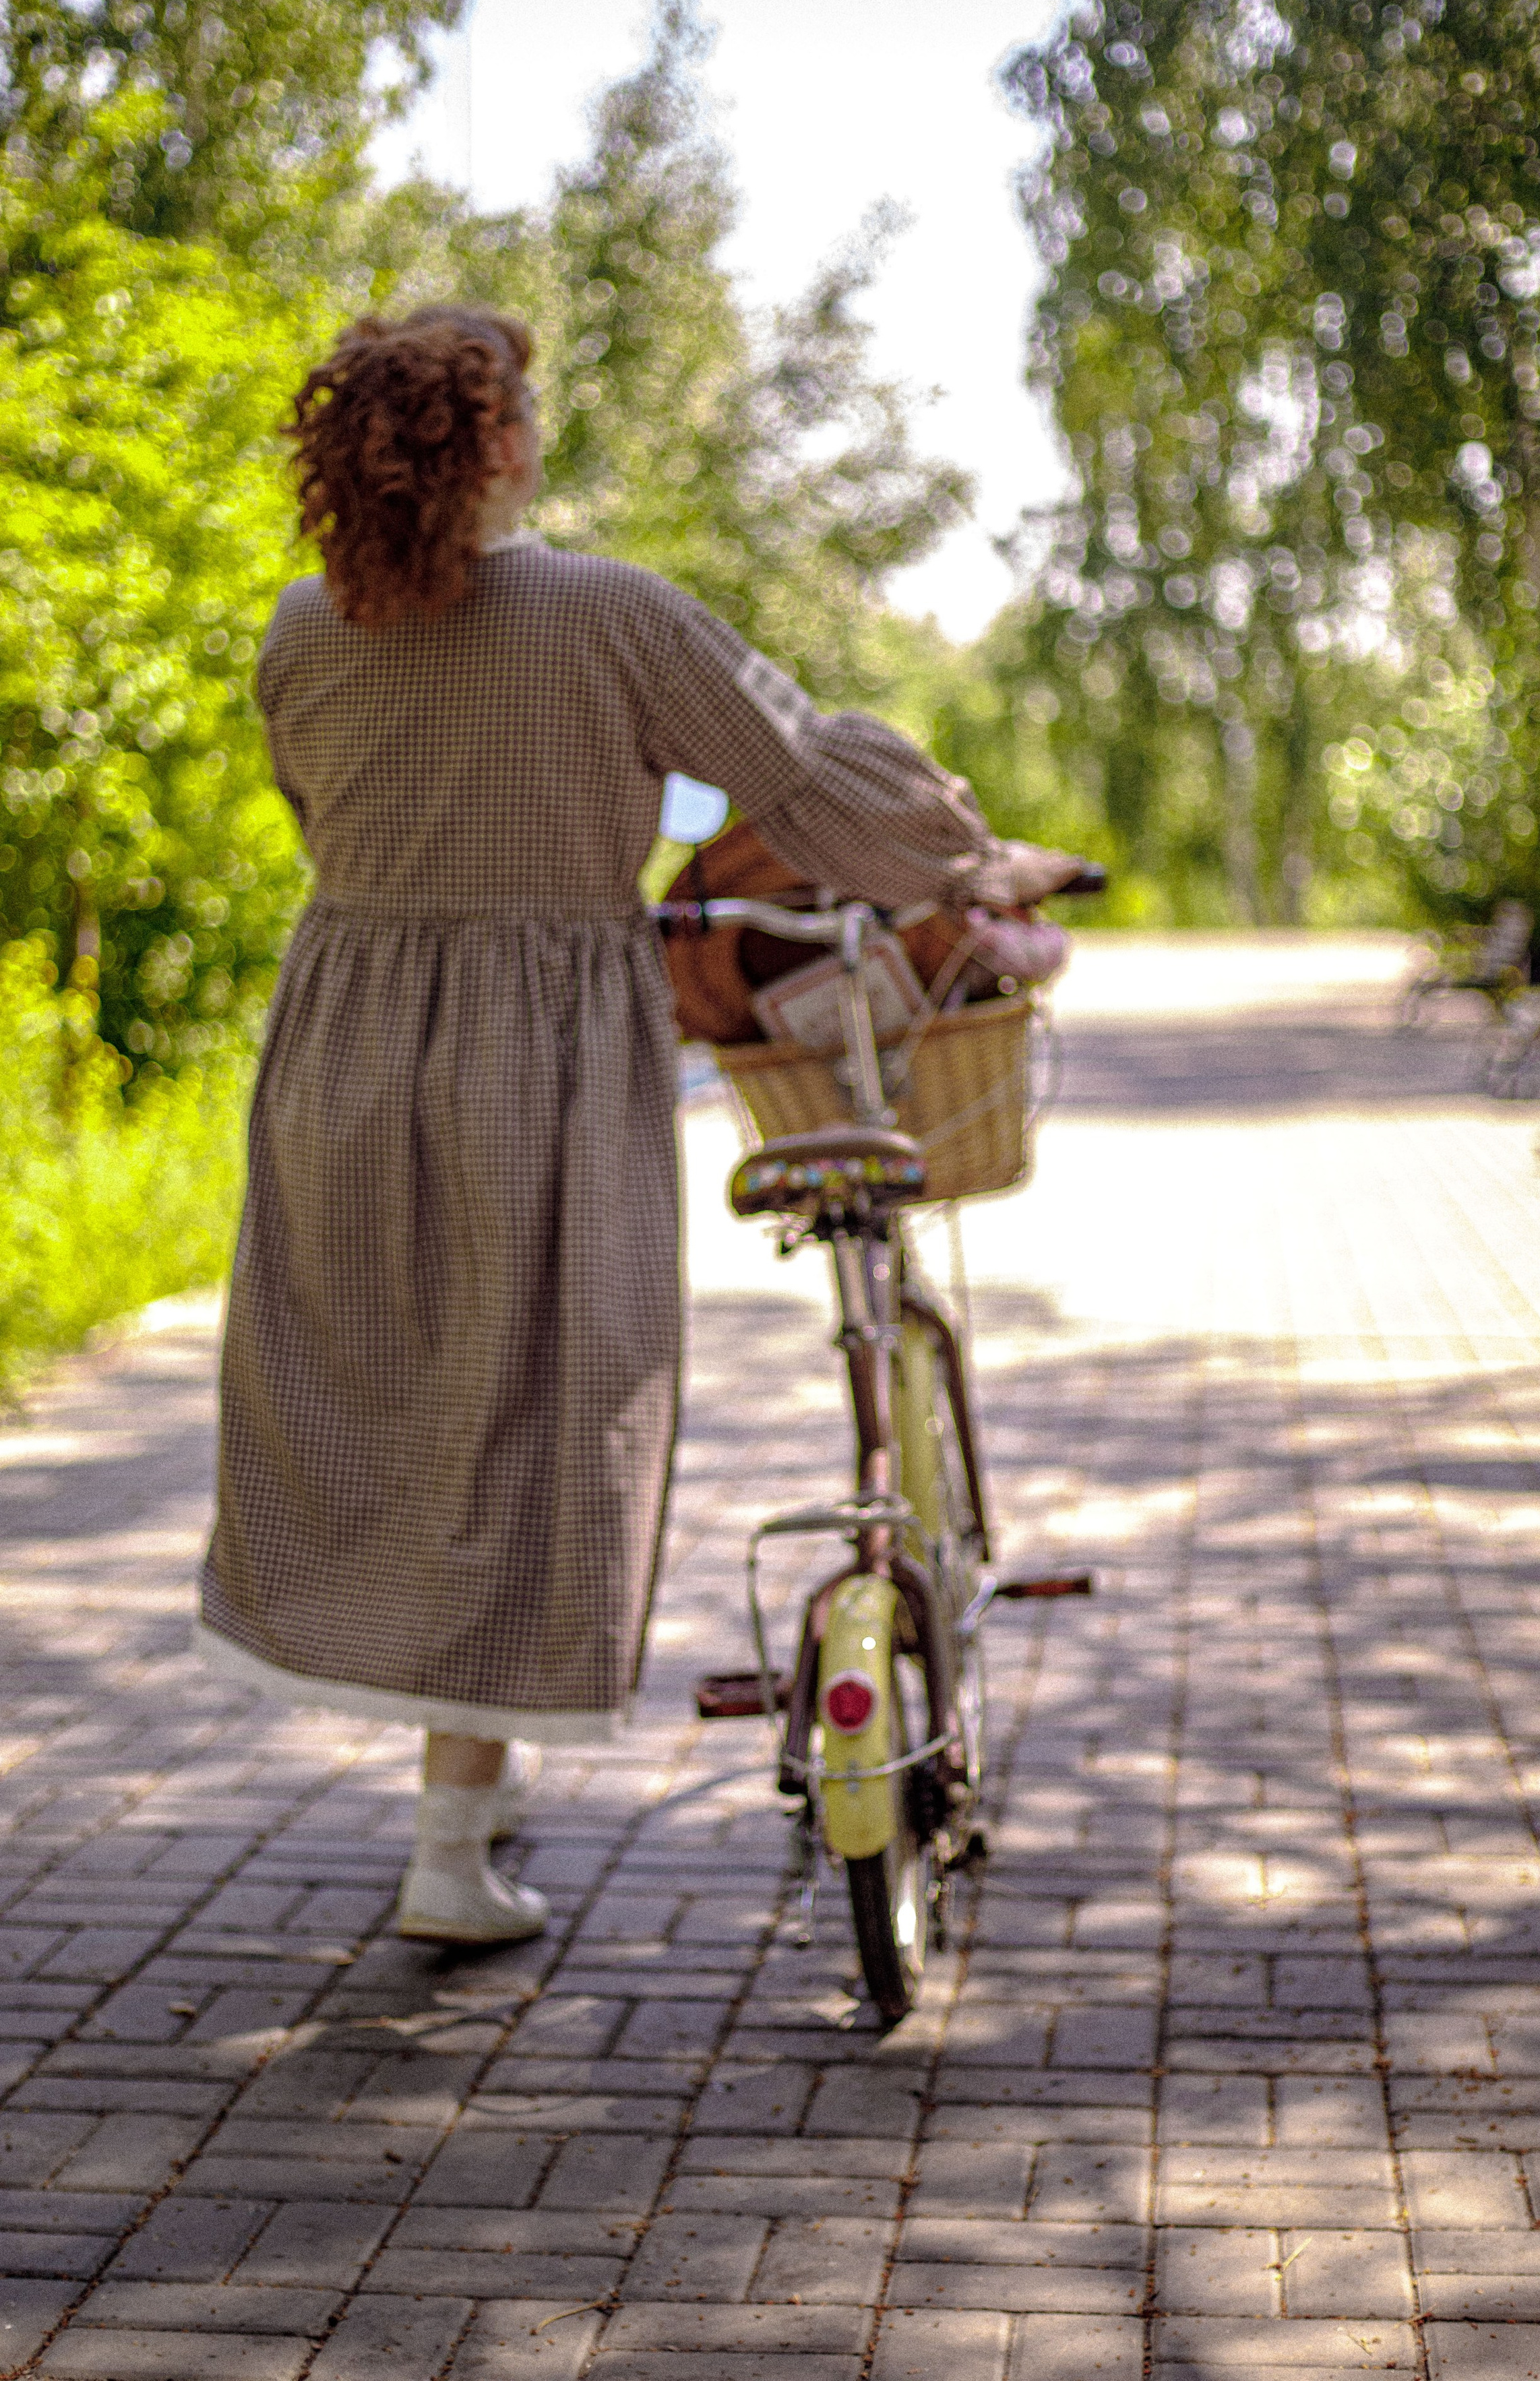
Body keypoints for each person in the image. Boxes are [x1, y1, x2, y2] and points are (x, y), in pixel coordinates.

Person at [195, 303, 1076, 1946]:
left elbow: (320, 814)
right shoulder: (605, 613)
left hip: (343, 1046)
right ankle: (448, 1851)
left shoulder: (305, 625)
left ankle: (461, 1784)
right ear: (498, 443)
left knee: (382, 1392)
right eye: (525, 410)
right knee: (529, 1404)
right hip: (535, 1052)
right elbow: (799, 772)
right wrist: (963, 857)